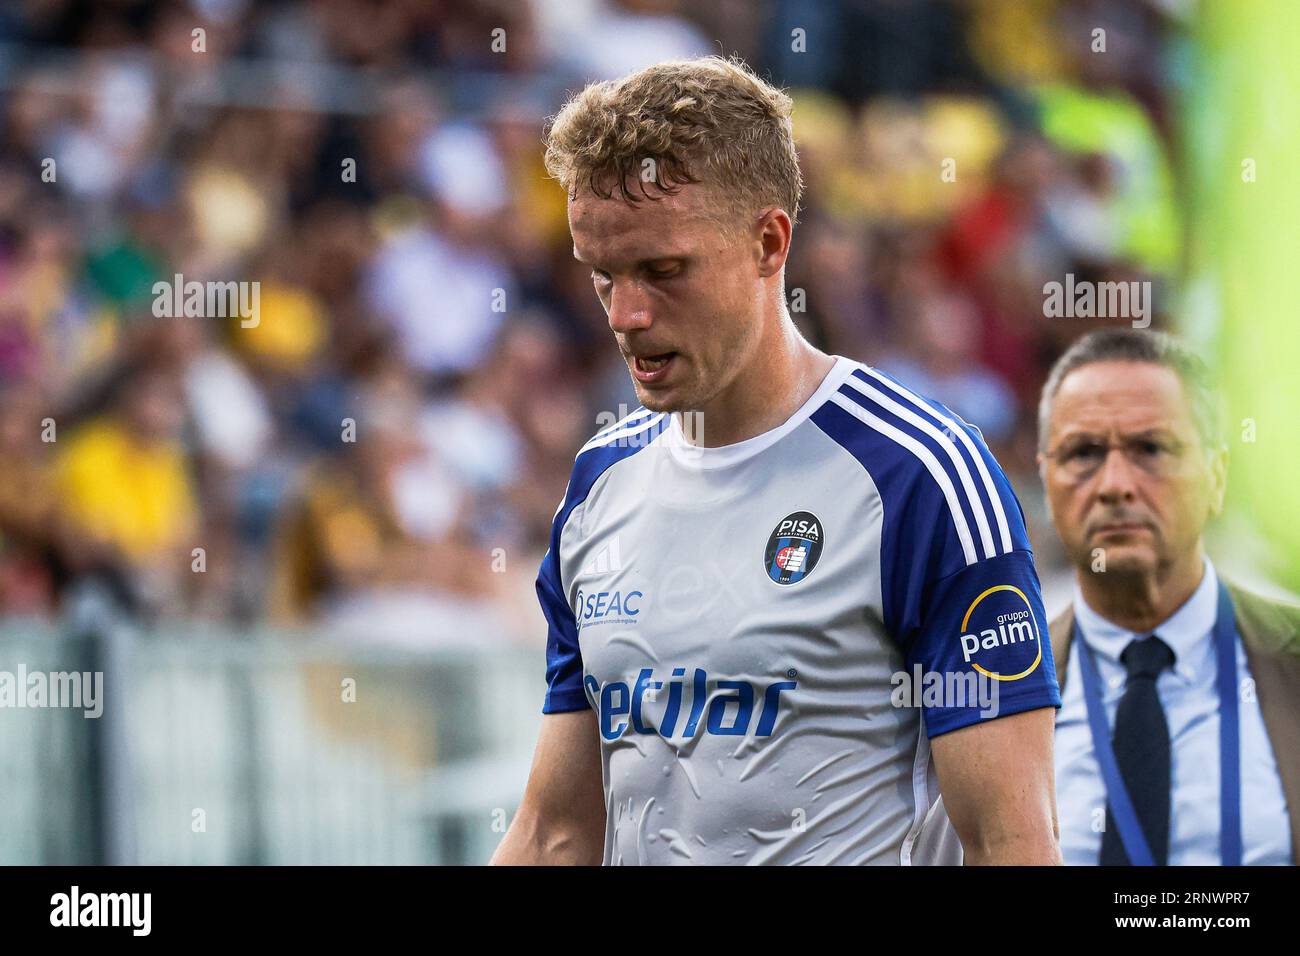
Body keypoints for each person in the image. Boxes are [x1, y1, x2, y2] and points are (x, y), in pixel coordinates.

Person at [492, 56, 1061, 866]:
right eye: (602, 276)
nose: (626, 314)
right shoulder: (598, 487)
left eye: (662, 270)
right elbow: (555, 833)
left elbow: (1014, 841)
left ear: (768, 242)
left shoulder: (919, 477)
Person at [1038, 328, 1299, 865]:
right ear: (1045, 478)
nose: (1115, 484)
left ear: (1217, 474)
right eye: (1083, 452)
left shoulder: (1289, 662)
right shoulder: (996, 690)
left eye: (1151, 448)